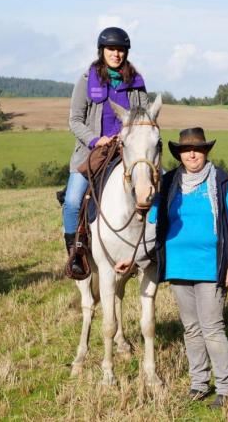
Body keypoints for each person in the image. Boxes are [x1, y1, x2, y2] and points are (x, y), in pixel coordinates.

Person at [145, 127, 228, 409]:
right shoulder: (167, 184)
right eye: (186, 150)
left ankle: (226, 388)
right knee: (191, 329)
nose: (192, 154)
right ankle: (199, 384)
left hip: (212, 268)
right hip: (179, 268)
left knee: (212, 328)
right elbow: (152, 224)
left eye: (198, 149)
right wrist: (137, 258)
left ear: (205, 152)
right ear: (179, 154)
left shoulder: (223, 182)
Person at [62, 27, 148, 277]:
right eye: (111, 49)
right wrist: (95, 140)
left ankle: (155, 249)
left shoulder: (136, 82)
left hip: (128, 151)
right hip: (93, 152)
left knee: (158, 189)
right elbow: (75, 120)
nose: (116, 54)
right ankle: (76, 252)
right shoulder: (87, 80)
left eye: (121, 49)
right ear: (102, 51)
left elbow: (143, 117)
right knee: (72, 202)